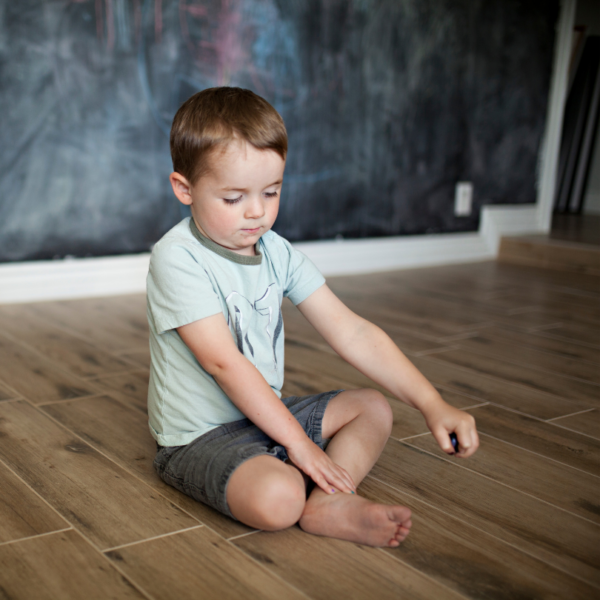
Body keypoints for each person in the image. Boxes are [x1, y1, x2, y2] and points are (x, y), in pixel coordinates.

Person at [147, 87, 479, 548]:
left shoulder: (276, 251)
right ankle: (302, 482)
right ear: (185, 189)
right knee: (277, 500)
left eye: (271, 191)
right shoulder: (178, 258)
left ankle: (328, 501)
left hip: (268, 416)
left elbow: (352, 330)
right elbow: (223, 363)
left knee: (373, 407)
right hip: (202, 437)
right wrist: (300, 447)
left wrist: (431, 402)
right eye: (233, 198)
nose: (257, 211)